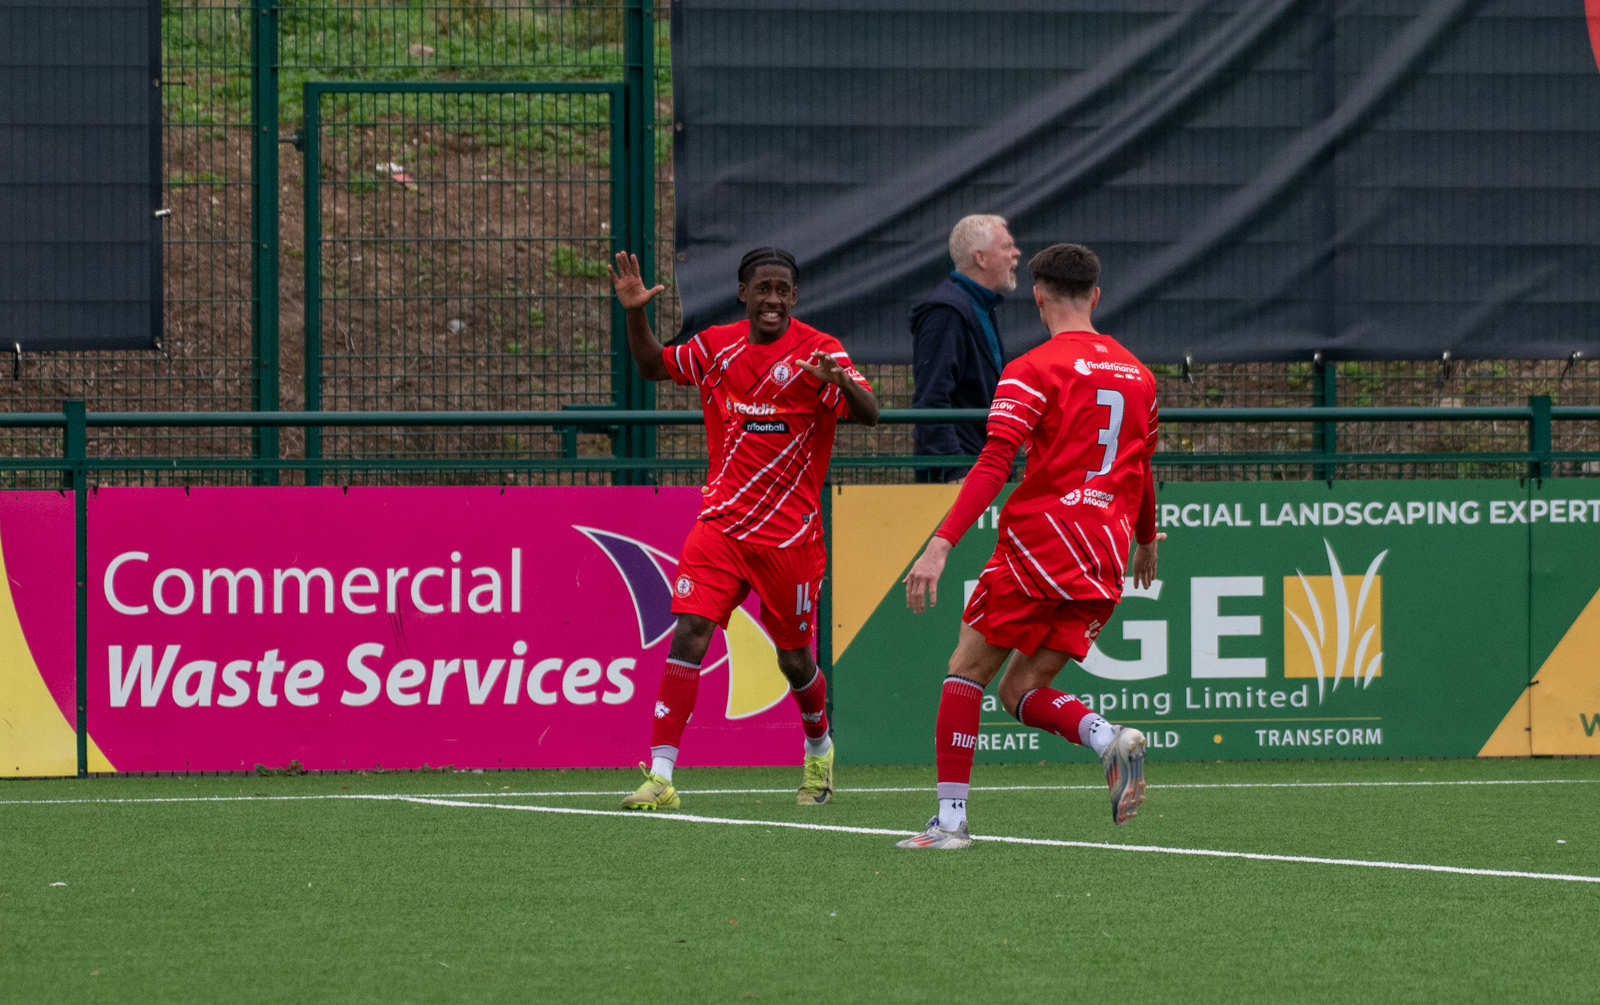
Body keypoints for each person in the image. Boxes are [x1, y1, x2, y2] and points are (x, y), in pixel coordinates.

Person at [896, 243, 1164, 849]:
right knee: (1017, 691)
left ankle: (951, 823)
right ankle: (1106, 738)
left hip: (1041, 545)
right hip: (1103, 557)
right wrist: (1146, 541)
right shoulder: (1140, 376)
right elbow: (1141, 467)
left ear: (1038, 297)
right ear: (1096, 296)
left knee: (966, 671)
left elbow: (995, 461)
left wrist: (940, 544)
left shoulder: (1032, 368)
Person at [607, 247, 880, 810]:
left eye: (783, 290)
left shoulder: (820, 352)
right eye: (763, 289)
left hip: (790, 539)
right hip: (722, 527)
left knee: (795, 661)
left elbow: (870, 413)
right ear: (742, 294)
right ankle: (661, 775)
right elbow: (652, 366)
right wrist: (635, 312)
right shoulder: (715, 347)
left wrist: (842, 384)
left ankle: (819, 748)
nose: (773, 300)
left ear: (794, 297)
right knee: (689, 632)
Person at [910, 214, 1022, 483]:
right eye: (1006, 246)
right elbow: (932, 399)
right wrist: (955, 471)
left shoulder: (979, 307)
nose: (1016, 253)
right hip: (961, 476)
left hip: (984, 469)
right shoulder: (946, 313)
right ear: (980, 258)